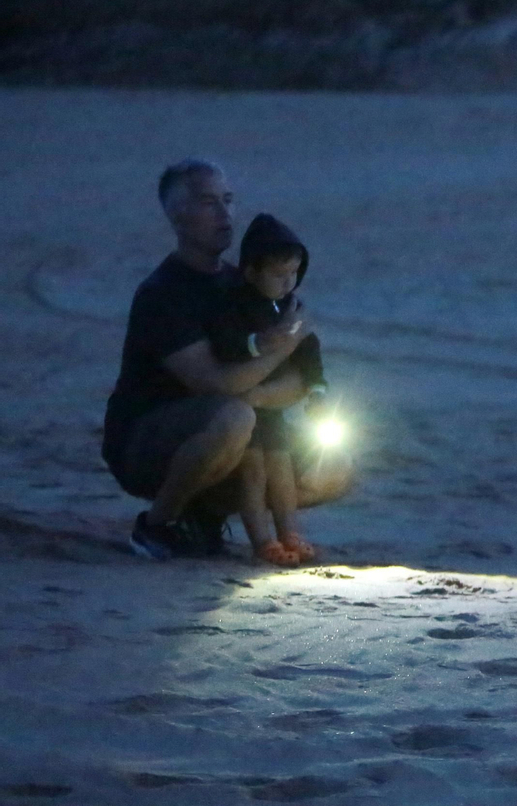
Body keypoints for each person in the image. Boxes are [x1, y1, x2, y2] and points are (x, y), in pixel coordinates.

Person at [103, 159, 353, 561]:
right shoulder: (164, 294)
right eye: (208, 202)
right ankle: (156, 525)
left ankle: (203, 512)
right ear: (178, 215)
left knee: (334, 466)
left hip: (234, 428)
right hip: (148, 440)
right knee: (235, 418)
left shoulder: (248, 283)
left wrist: (287, 375)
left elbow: (296, 380)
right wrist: (286, 345)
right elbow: (215, 382)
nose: (224, 213)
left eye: (228, 200)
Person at [204, 213, 329, 567]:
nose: (287, 282)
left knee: (282, 468)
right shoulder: (235, 305)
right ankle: (262, 539)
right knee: (253, 471)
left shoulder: (288, 309)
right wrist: (260, 343)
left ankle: (291, 532)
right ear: (251, 271)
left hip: (272, 410)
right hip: (243, 409)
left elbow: (309, 348)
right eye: (278, 274)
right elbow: (226, 343)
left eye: (293, 274)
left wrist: (317, 389)